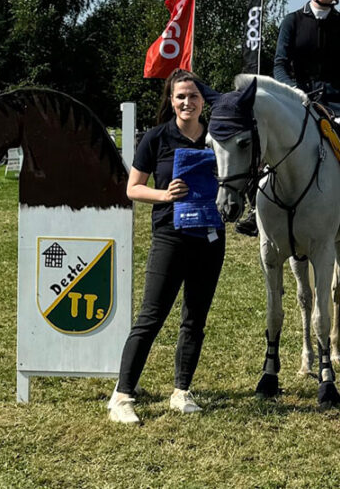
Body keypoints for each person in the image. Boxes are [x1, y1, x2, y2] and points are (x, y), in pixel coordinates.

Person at [236, 0, 340, 249]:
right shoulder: (292, 21)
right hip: (297, 104)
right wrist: (297, 95)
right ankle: (255, 209)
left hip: (339, 108)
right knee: (263, 144)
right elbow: (279, 66)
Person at [107, 69, 225, 424]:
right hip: (169, 237)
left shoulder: (218, 139)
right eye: (180, 97)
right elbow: (132, 188)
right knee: (151, 317)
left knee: (195, 319)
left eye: (193, 96)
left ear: (203, 101)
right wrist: (165, 194)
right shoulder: (157, 138)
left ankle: (181, 391)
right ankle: (122, 395)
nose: (187, 102)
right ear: (171, 101)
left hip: (210, 238)